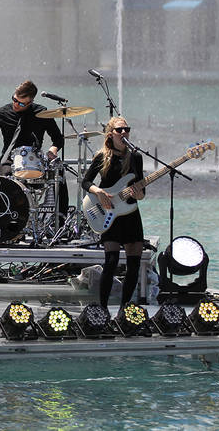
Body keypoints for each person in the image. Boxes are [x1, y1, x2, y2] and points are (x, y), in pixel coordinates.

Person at [0, 79, 68, 213]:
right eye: (14, 99)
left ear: (30, 102)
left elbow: (58, 138)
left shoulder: (42, 113)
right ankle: (13, 224)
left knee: (59, 173)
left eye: (21, 103)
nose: (16, 104)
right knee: (9, 184)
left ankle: (59, 221)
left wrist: (54, 148)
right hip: (9, 160)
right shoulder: (3, 112)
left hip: (35, 161)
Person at [82, 116, 145, 311]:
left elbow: (142, 192)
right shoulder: (102, 156)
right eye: (119, 130)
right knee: (111, 261)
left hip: (130, 212)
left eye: (127, 129)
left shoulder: (135, 157)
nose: (124, 132)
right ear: (111, 134)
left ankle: (125, 309)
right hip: (108, 212)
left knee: (134, 264)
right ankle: (102, 309)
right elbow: (85, 182)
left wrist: (139, 193)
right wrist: (98, 192)